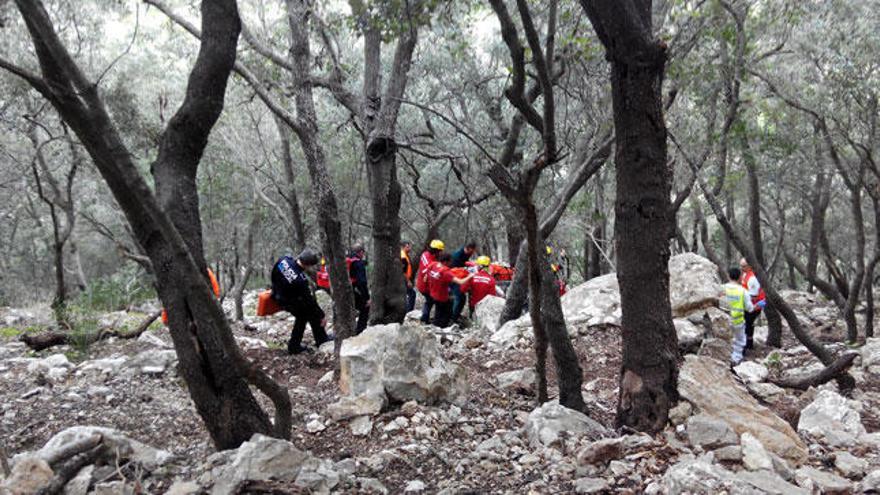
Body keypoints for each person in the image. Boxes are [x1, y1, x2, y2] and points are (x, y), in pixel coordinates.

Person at [271, 249, 332, 354]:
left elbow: (273, 275)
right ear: (307, 265)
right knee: (307, 315)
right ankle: (318, 340)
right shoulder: (300, 280)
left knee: (304, 316)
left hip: (278, 294)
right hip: (288, 301)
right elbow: (309, 301)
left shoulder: (283, 260)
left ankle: (296, 345)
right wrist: (321, 315)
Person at [428, 252, 474, 328]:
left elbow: (428, 268)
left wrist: (426, 277)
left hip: (433, 293)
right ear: (445, 262)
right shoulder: (445, 272)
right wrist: (470, 276)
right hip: (442, 296)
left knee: (438, 311)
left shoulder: (434, 264)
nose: (451, 263)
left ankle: (436, 325)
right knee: (447, 311)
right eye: (450, 261)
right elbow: (460, 282)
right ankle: (443, 327)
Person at [724, 267, 755, 366]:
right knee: (740, 341)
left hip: (723, 321)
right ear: (740, 277)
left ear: (728, 276)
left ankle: (724, 358)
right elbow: (749, 308)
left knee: (725, 341)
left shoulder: (722, 288)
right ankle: (735, 360)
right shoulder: (743, 291)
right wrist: (757, 305)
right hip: (738, 322)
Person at [740, 258, 767, 351]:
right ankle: (748, 344)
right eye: (741, 266)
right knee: (747, 324)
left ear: (750, 266)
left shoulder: (752, 278)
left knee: (747, 323)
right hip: (748, 302)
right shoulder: (745, 275)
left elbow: (753, 296)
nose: (741, 268)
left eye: (744, 266)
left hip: (755, 304)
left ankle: (747, 345)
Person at [418, 239, 445, 324]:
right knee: (431, 301)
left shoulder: (434, 257)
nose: (441, 253)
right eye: (440, 251)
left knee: (430, 301)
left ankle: (426, 319)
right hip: (424, 285)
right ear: (436, 250)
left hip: (429, 285)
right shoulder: (426, 256)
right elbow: (427, 270)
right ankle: (427, 319)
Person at [450, 241, 477, 322]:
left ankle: (456, 315)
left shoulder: (467, 254)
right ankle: (453, 318)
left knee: (462, 298)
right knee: (458, 298)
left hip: (460, 276)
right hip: (454, 278)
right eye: (471, 251)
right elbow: (455, 269)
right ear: (468, 249)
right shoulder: (457, 256)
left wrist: (468, 265)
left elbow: (463, 264)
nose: (472, 253)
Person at [348, 244, 370, 334]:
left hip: (342, 290)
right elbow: (362, 283)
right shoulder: (358, 263)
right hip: (351, 291)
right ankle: (360, 330)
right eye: (363, 252)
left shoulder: (348, 259)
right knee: (365, 308)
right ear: (361, 252)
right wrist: (367, 298)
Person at [400, 240, 416, 312]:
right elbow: (402, 271)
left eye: (409, 246)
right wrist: (408, 281)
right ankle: (409, 311)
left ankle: (407, 310)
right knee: (412, 294)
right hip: (403, 279)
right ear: (403, 247)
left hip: (404, 279)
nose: (409, 248)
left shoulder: (405, 254)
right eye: (407, 247)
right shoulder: (403, 256)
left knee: (407, 295)